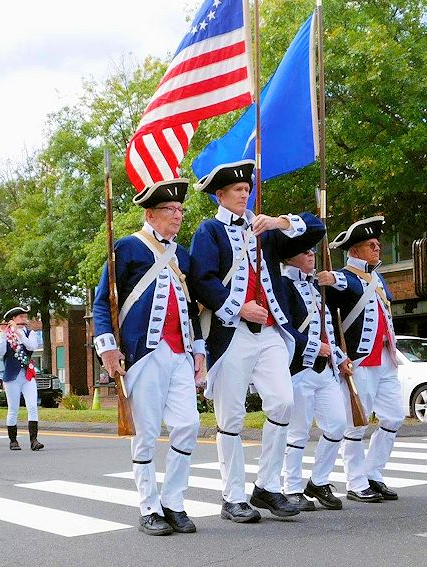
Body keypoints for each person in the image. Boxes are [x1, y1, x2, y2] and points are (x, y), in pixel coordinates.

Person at [189, 160, 324, 521]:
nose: (244, 192)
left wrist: (279, 222)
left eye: (247, 188)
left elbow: (316, 228)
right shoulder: (209, 232)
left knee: (282, 403)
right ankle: (233, 496)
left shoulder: (264, 231)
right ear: (220, 194)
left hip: (271, 333)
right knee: (230, 416)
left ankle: (267, 487)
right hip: (232, 334)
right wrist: (238, 307)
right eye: (237, 189)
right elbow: (202, 279)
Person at [93, 178, 206, 536]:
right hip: (143, 354)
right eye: (170, 210)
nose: (178, 216)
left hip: (180, 353)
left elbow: (189, 306)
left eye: (180, 210)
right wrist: (108, 347)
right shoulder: (126, 248)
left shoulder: (181, 254)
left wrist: (199, 349)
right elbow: (102, 302)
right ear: (150, 214)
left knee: (188, 425)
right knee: (145, 433)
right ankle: (149, 507)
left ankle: (173, 502)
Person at [326, 216, 404, 503]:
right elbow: (333, 292)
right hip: (359, 361)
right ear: (355, 251)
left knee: (394, 417)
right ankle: (356, 481)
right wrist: (339, 355)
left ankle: (374, 473)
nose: (377, 248)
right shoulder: (345, 277)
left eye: (378, 244)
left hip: (385, 359)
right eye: (371, 245)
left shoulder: (377, 277)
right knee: (356, 424)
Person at [280, 248, 351, 511]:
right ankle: (292, 488)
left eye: (312, 250)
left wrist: (340, 356)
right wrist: (313, 346)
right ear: (288, 257)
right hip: (298, 368)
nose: (311, 254)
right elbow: (283, 327)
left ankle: (319, 481)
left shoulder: (317, 286)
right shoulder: (283, 285)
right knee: (297, 432)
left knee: (336, 424)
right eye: (303, 250)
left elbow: (328, 330)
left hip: (325, 369)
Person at [0, 307, 45, 452]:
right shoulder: (6, 335)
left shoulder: (30, 333)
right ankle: (13, 440)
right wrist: (4, 334)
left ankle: (34, 440)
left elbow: (32, 346)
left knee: (33, 407)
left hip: (27, 375)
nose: (24, 320)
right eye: (21, 317)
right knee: (13, 408)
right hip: (12, 377)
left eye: (25, 317)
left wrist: (20, 335)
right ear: (13, 319)